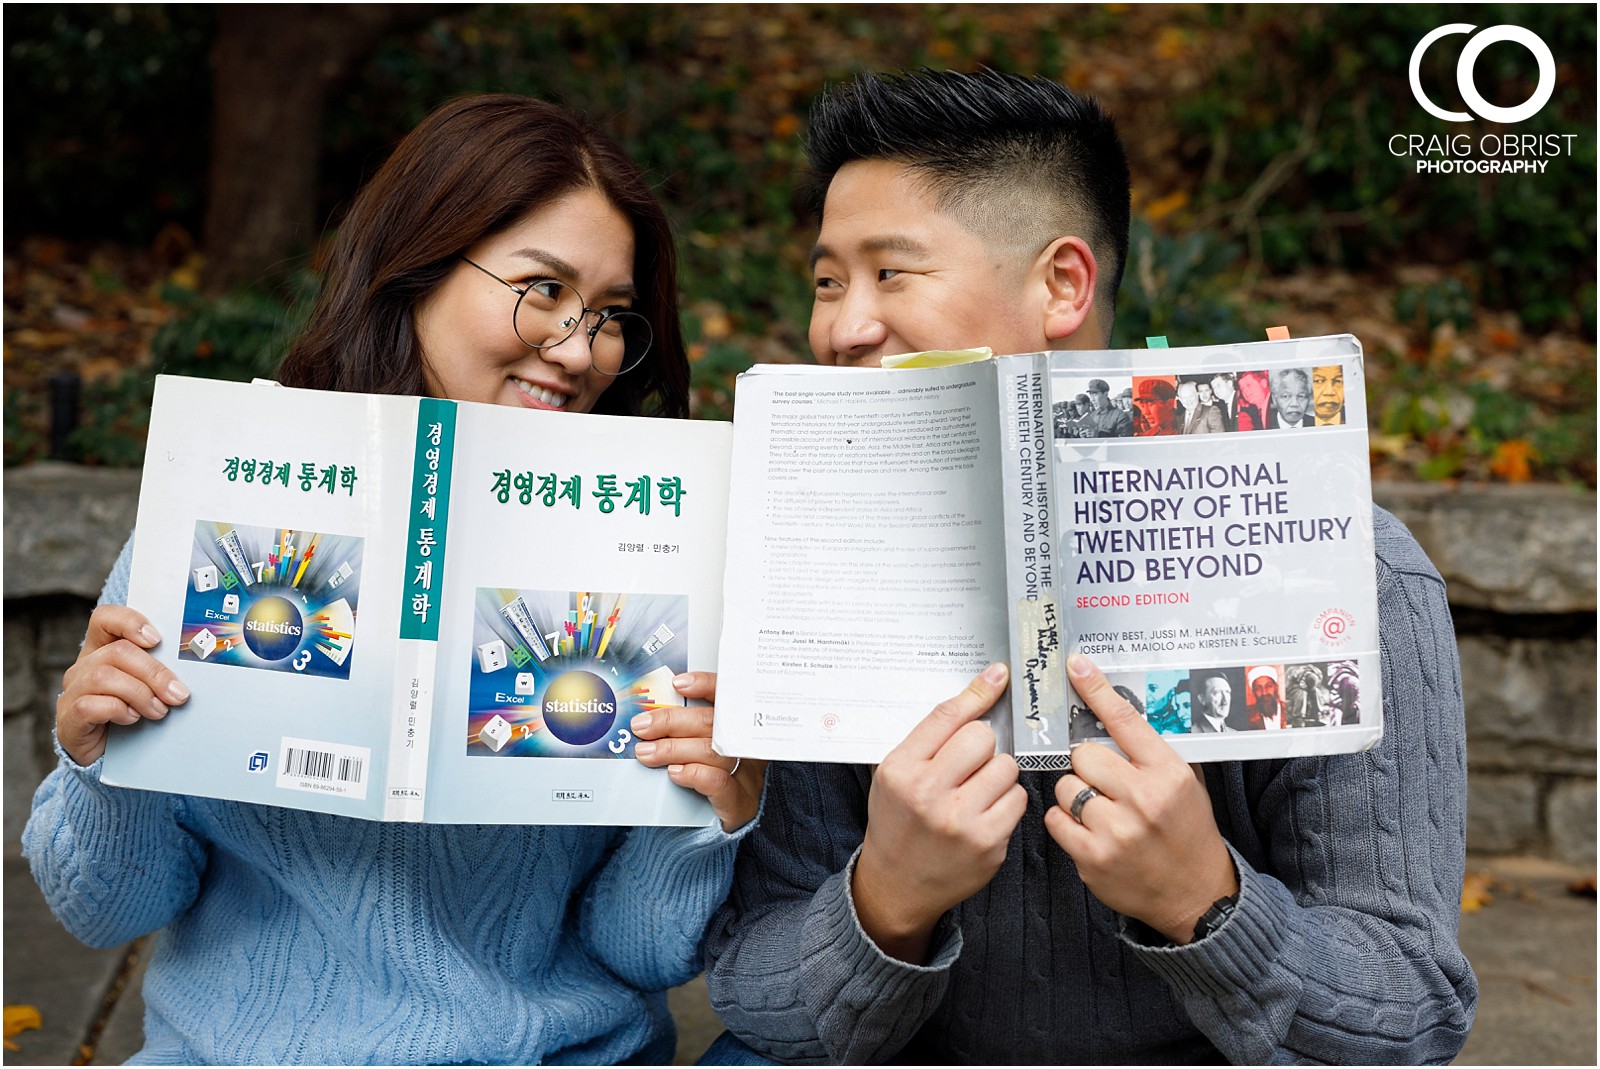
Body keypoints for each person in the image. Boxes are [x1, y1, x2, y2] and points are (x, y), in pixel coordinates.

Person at [704, 68, 1474, 1065]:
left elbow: (1408, 1010)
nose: (840, 327)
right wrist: (884, 902)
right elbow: (751, 990)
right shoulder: (803, 563)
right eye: (825, 280)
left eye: (889, 274)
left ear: (1061, 283)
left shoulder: (1349, 568)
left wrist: (1204, 899)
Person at [26, 94, 763, 1066]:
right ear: (415, 266)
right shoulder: (225, 509)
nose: (583, 350)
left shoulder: (648, 559)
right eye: (541, 289)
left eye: (612, 316)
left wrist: (715, 810)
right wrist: (97, 761)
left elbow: (641, 948)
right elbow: (106, 909)